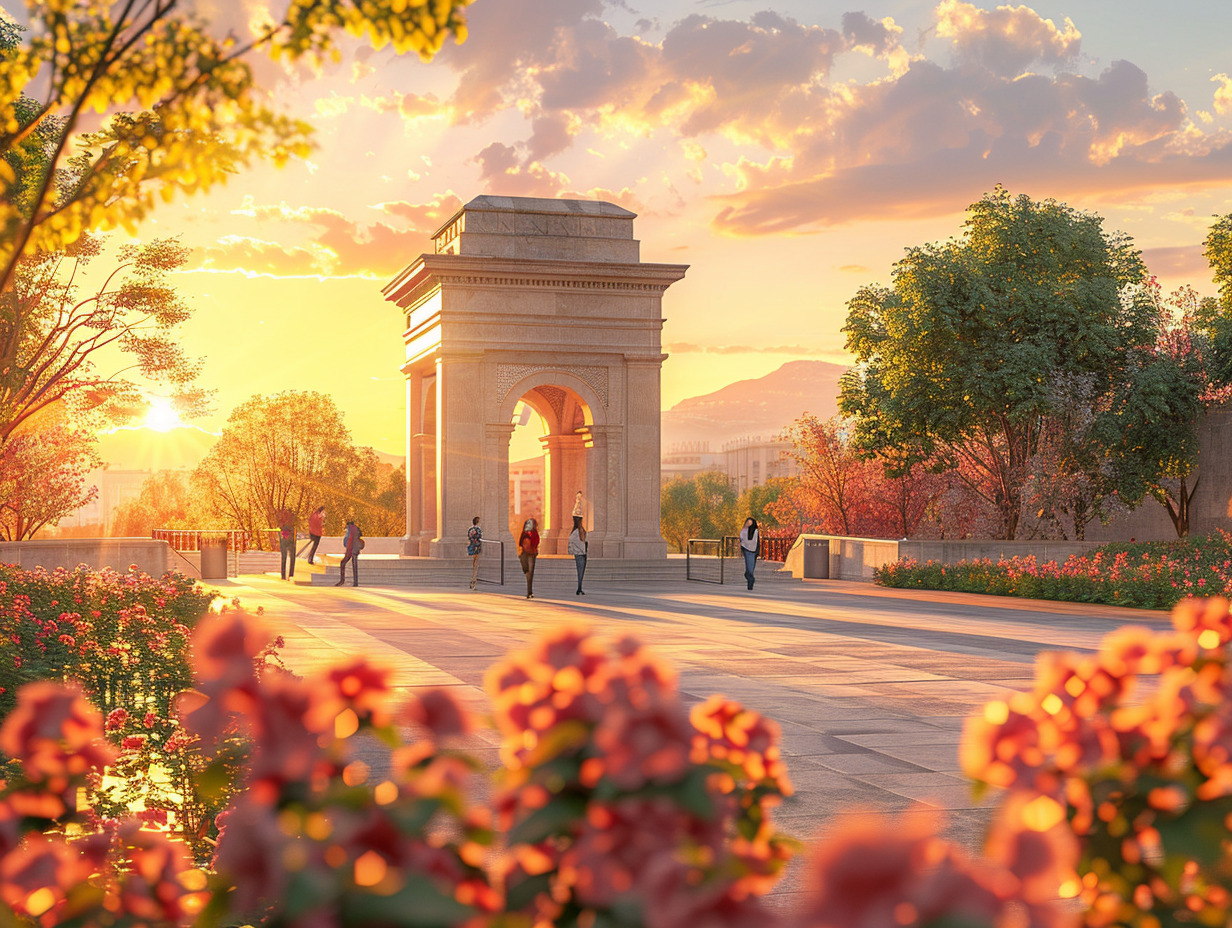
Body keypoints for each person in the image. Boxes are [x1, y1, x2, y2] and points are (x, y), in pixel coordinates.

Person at [336, 516, 362, 587]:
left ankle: (342, 580)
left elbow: (347, 541)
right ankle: (355, 582)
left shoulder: (350, 530)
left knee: (342, 563)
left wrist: (347, 551)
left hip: (351, 549)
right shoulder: (356, 529)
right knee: (354, 566)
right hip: (356, 550)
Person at [518, 517, 539, 599]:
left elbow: (536, 542)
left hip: (532, 554)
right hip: (526, 554)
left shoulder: (534, 533)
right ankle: (529, 591)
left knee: (530, 574)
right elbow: (520, 543)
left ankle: (529, 592)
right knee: (528, 573)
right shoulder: (525, 534)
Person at [568, 515, 587, 596]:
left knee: (580, 571)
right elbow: (583, 539)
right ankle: (579, 588)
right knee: (581, 571)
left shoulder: (573, 532)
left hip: (577, 553)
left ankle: (579, 588)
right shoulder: (579, 530)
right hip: (581, 553)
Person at [739, 517, 759, 591]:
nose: (748, 524)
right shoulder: (743, 531)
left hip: (753, 551)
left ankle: (750, 580)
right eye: (747, 522)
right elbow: (741, 539)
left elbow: (756, 542)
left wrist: (757, 552)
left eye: (750, 523)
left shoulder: (755, 531)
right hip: (746, 550)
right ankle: (750, 581)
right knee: (749, 567)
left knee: (750, 568)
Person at [277, 507, 296, 581]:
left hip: (286, 540)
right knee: (287, 557)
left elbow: (280, 529)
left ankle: (285, 574)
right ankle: (287, 574)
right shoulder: (287, 521)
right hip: (287, 540)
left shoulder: (283, 521)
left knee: (286, 557)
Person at [467, 516, 482, 590]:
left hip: (471, 546)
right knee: (476, 564)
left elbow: (469, 537)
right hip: (476, 547)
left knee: (473, 563)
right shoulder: (478, 529)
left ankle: (473, 580)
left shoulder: (470, 529)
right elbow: (479, 536)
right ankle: (473, 581)